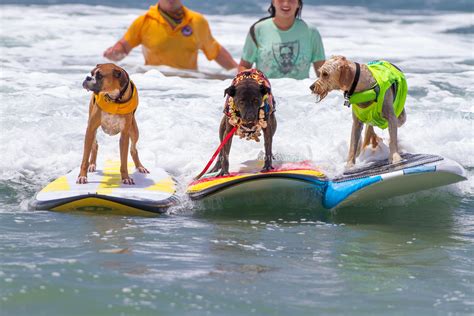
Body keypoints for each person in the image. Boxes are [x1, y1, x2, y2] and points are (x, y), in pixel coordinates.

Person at [104, 0, 237, 71]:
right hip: (155, 83)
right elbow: (124, 46)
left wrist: (238, 71)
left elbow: (215, 51)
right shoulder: (144, 21)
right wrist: (115, 52)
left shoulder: (197, 21)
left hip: (189, 85)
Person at [238, 0, 325, 79]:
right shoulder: (258, 29)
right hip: (267, 93)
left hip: (300, 93)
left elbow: (323, 74)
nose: (286, 3)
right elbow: (244, 67)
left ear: (298, 3)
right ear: (273, 2)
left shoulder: (311, 32)